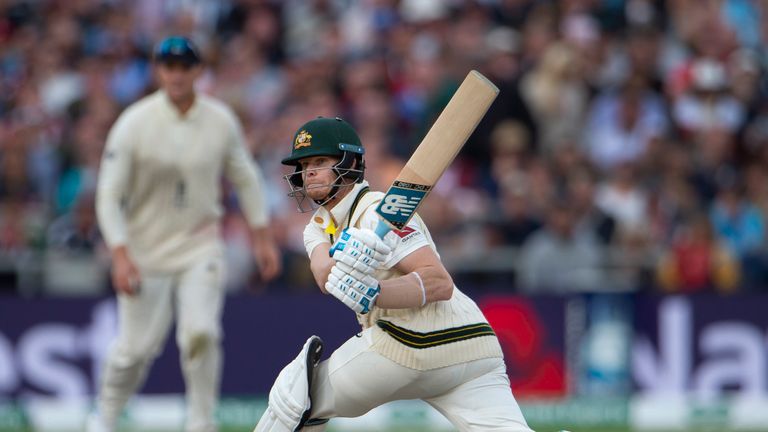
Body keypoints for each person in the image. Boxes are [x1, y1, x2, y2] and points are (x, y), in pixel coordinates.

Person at [253, 117, 533, 431]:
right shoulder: (319, 227)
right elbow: (323, 273)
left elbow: (439, 282)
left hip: (412, 340)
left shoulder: (378, 211)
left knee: (294, 400)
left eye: (320, 161)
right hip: (474, 345)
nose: (310, 172)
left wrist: (373, 291)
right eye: (304, 165)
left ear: (351, 163)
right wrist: (346, 258)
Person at [88, 36, 281, 432]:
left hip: (200, 244)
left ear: (197, 70)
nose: (176, 74)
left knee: (201, 335)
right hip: (145, 250)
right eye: (168, 66)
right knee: (135, 350)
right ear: (158, 71)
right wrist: (120, 252)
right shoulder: (134, 123)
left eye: (184, 66)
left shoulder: (219, 119)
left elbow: (245, 177)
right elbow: (109, 194)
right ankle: (104, 419)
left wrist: (261, 237)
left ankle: (201, 424)